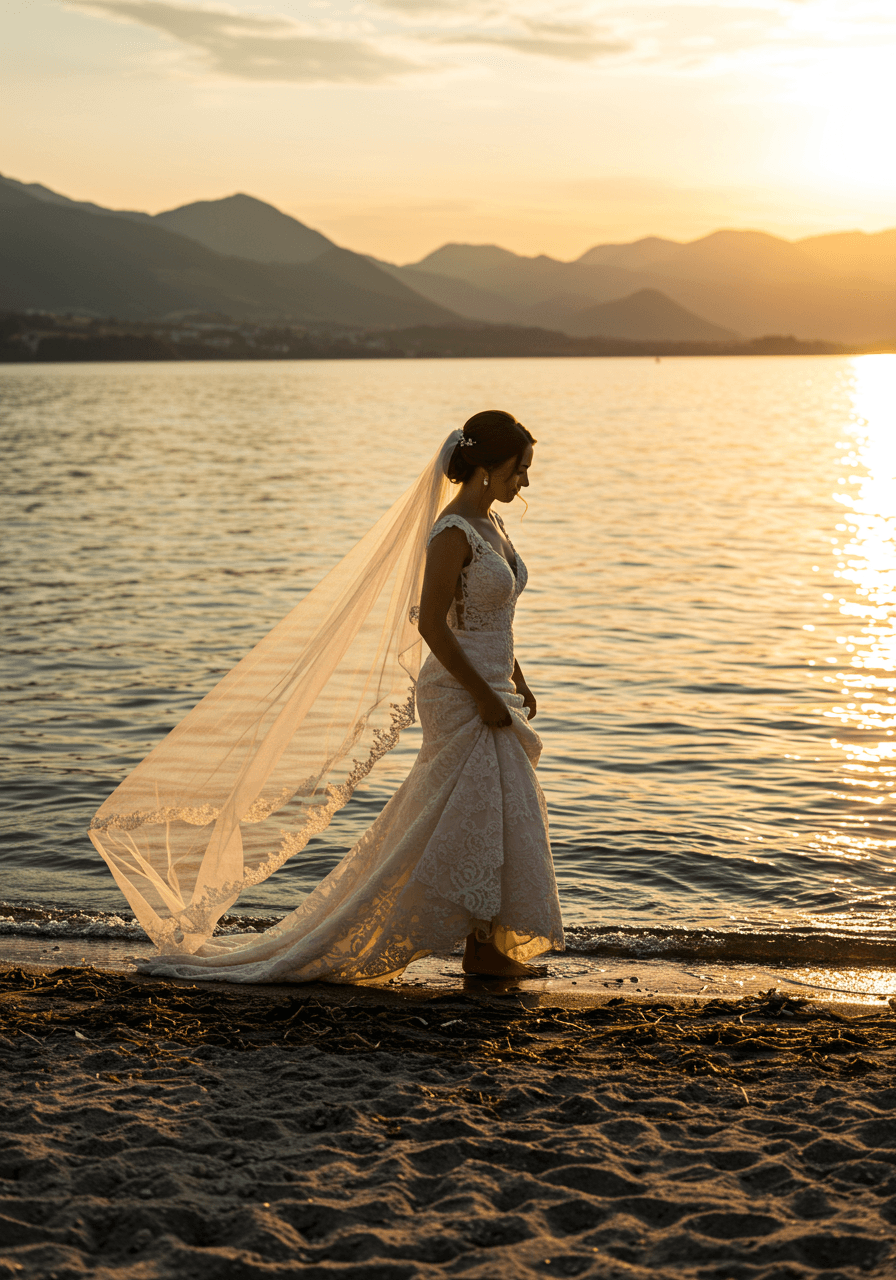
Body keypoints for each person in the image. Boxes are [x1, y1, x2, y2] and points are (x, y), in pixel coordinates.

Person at [90, 410, 564, 984]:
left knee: (491, 811)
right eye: (520, 470)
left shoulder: (494, 525)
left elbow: (491, 616)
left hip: (492, 686)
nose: (526, 483)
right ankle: (479, 948)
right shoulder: (451, 533)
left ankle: (487, 945)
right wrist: (482, 693)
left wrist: (517, 676)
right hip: (459, 691)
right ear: (486, 469)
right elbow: (434, 627)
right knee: (472, 809)